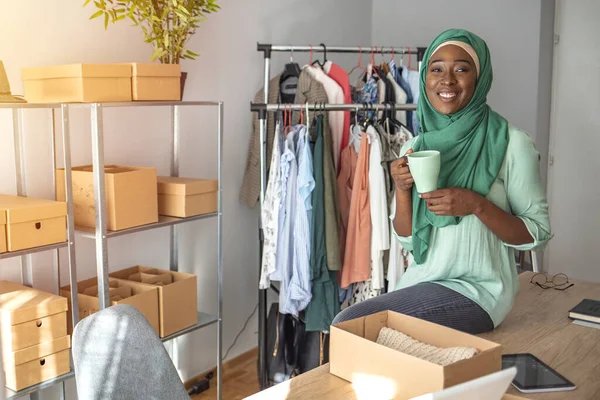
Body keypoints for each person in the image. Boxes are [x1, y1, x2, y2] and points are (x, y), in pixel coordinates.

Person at [332, 29, 552, 334]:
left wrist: (476, 204)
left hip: (479, 291)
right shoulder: (417, 146)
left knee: (352, 325)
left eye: (461, 69)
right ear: (425, 79)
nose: (447, 80)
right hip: (420, 283)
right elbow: (407, 238)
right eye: (436, 69)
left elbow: (536, 234)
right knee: (353, 328)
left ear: (480, 77)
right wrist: (402, 189)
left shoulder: (512, 142)